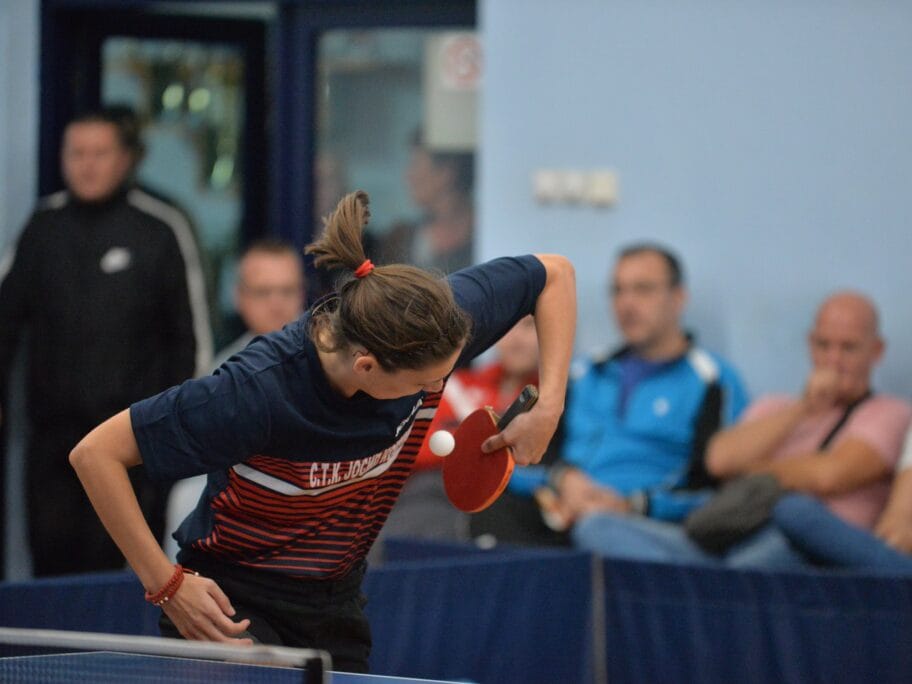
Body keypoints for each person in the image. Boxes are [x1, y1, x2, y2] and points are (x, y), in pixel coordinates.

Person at [68, 190, 576, 672]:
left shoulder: (436, 322)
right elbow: (95, 454)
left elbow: (553, 273)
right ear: (367, 367)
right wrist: (167, 585)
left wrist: (547, 408)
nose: (438, 386)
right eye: (425, 382)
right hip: (234, 602)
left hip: (336, 601)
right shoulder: (255, 391)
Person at [0, 107, 211, 577]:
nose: (87, 164)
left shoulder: (160, 228)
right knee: (51, 568)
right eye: (76, 153)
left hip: (132, 442)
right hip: (53, 443)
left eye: (99, 153)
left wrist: (176, 432)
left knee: (126, 573)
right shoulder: (42, 228)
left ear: (126, 159)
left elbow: (190, 338)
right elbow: (5, 323)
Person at [534, 243, 749, 558]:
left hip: (653, 526)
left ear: (678, 298)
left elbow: (720, 491)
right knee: (485, 509)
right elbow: (527, 457)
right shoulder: (584, 373)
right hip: (566, 510)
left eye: (643, 290)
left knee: (596, 529)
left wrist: (633, 505)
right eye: (618, 291)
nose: (627, 304)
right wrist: (564, 479)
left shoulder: (714, 381)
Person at [703, 292, 912, 570]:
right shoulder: (775, 406)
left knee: (795, 513)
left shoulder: (891, 412)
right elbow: (718, 459)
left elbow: (831, 475)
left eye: (848, 348)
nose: (833, 360)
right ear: (809, 344)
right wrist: (804, 408)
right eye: (823, 345)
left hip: (818, 546)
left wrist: (749, 471)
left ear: (876, 351)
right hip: (738, 528)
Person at [370, 314, 563, 562]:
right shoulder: (454, 385)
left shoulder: (555, 404)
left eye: (528, 327)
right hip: (433, 489)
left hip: (503, 508)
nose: (516, 339)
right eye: (509, 326)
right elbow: (417, 449)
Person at [163, 239, 306, 561]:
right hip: (241, 499)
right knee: (185, 498)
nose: (276, 303)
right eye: (263, 292)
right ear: (240, 297)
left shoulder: (330, 361)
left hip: (311, 495)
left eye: (287, 291)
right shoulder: (219, 374)